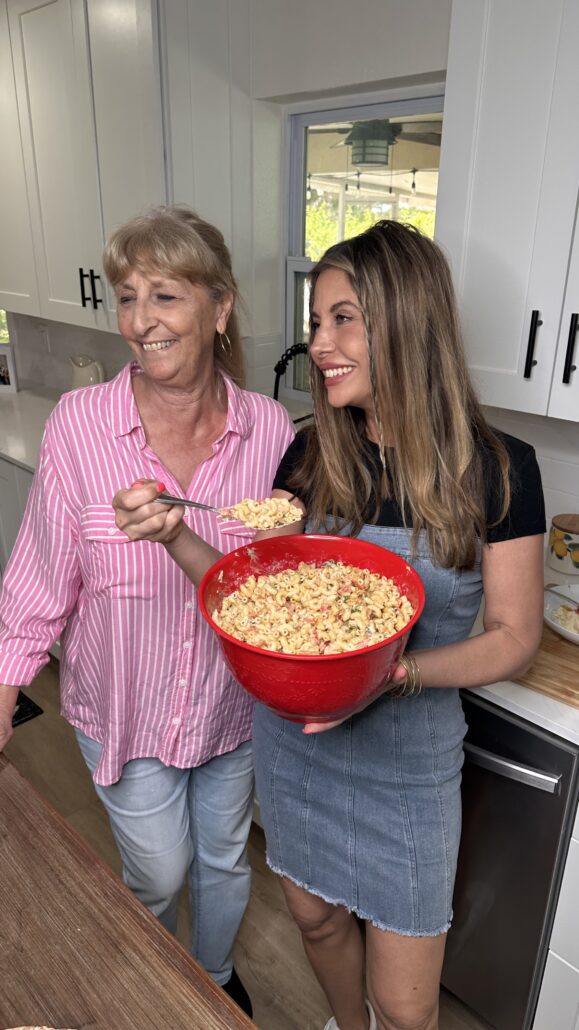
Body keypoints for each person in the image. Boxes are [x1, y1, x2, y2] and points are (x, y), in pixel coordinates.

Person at [112, 220, 546, 1030]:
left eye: (343, 318)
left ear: (405, 321)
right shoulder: (308, 459)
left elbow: (514, 638)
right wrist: (175, 531)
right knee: (314, 920)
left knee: (410, 1007)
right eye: (316, 322)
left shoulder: (497, 468)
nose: (320, 343)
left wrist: (397, 673)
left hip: (408, 761)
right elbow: (255, 606)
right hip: (299, 747)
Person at [0, 205, 295, 1016]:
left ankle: (212, 976)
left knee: (227, 862)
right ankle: (154, 974)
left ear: (219, 307)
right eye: (127, 297)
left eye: (164, 295)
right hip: (124, 703)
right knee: (159, 871)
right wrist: (2, 688)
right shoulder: (81, 425)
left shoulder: (268, 431)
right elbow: (41, 572)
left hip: (227, 702)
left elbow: (270, 582)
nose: (138, 320)